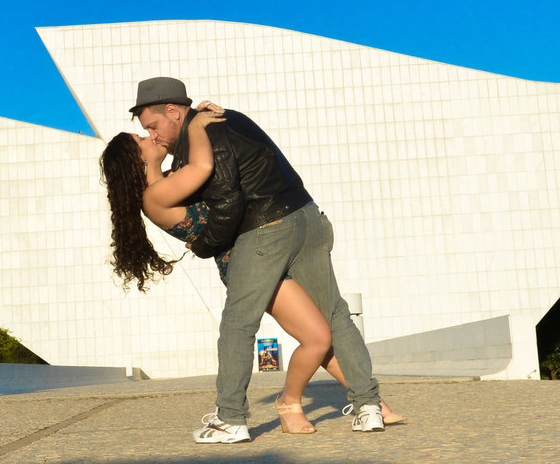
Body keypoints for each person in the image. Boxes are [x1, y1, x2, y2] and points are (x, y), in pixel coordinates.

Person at [101, 104, 404, 437]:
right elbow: (203, 165)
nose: (149, 136)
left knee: (318, 336)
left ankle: (334, 402)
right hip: (243, 261)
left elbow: (219, 179)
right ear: (136, 161)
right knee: (313, 336)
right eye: (140, 138)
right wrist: (196, 125)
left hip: (262, 248)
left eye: (148, 129)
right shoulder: (154, 196)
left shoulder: (173, 178)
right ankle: (257, 412)